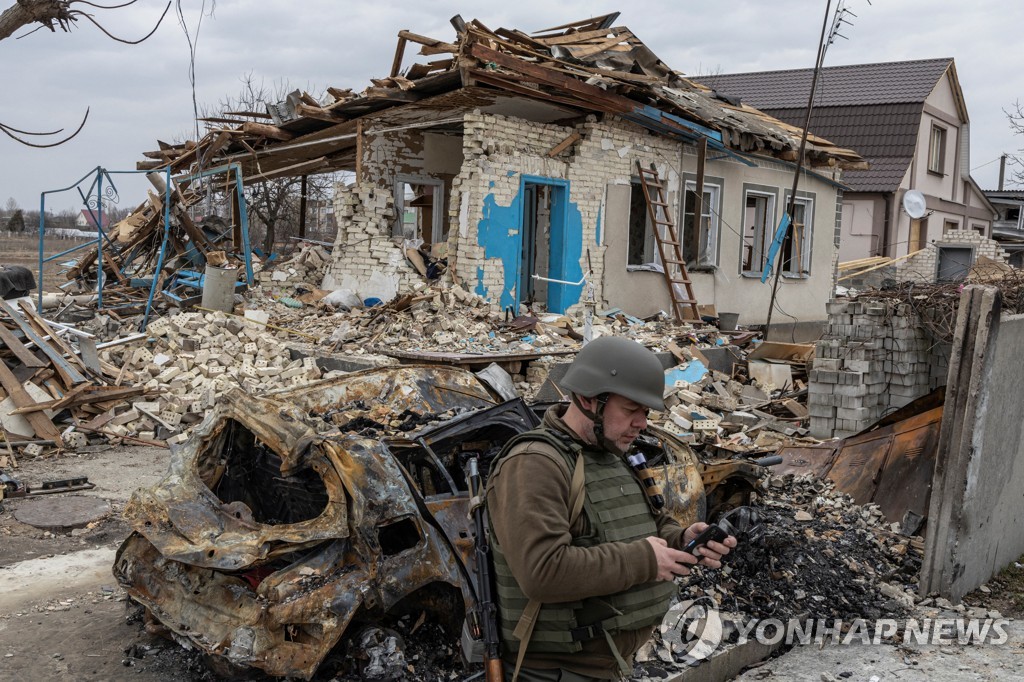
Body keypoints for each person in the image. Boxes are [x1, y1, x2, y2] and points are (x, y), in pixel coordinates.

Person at [485, 336, 737, 682]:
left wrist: (680, 540)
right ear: (589, 398)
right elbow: (542, 572)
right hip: (555, 672)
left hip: (611, 666)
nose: (642, 424)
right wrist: (646, 561)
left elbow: (641, 528)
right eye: (631, 410)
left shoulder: (611, 453)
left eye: (645, 412)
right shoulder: (535, 464)